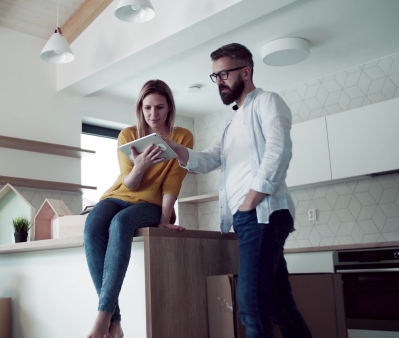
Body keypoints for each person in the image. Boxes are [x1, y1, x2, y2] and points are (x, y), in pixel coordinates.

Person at [163, 43, 312, 338]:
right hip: (248, 219)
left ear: (246, 71)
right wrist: (173, 147)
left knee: (250, 305)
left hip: (263, 213)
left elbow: (278, 151)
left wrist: (249, 201)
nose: (219, 82)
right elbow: (206, 161)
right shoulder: (231, 123)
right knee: (279, 305)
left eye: (224, 74)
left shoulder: (268, 101)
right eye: (215, 76)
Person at [84, 79, 194, 338]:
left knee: (121, 224)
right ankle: (116, 322)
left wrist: (164, 220)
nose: (153, 114)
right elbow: (130, 183)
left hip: (152, 204)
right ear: (140, 108)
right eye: (147, 108)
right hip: (119, 195)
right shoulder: (128, 135)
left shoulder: (182, 136)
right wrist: (140, 165)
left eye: (159, 107)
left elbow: (172, 182)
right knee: (92, 226)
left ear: (169, 108)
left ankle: (102, 318)